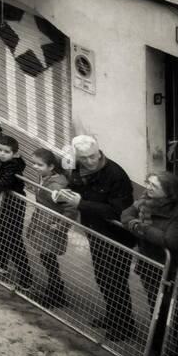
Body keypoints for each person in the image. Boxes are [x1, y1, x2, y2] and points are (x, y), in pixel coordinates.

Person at [58, 135, 138, 341]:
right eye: (84, 158)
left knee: (116, 280)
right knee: (102, 277)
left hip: (116, 236)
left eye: (93, 156)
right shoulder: (77, 168)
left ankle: (125, 326)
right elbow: (75, 187)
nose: (90, 161)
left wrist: (81, 204)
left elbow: (118, 210)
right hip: (95, 231)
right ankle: (112, 316)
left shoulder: (115, 174)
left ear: (99, 151)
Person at [122, 172, 178, 356]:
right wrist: (135, 223)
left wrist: (141, 228)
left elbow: (171, 241)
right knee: (157, 310)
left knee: (175, 312)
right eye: (148, 183)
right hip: (150, 266)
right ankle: (155, 352)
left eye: (155, 186)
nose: (148, 187)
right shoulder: (144, 201)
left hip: (171, 270)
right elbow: (126, 215)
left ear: (168, 192)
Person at [23, 147, 77, 308]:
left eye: (39, 165)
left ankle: (56, 293)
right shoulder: (44, 177)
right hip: (42, 223)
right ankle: (53, 289)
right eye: (34, 163)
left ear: (51, 167)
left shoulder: (57, 186)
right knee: (46, 257)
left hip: (51, 227)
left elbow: (71, 208)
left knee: (49, 258)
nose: (35, 167)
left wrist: (60, 225)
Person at [0, 135, 35, 291]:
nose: (2, 154)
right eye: (0, 150)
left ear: (15, 154)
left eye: (6, 152)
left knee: (13, 240)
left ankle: (26, 278)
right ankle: (0, 263)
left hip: (13, 205)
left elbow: (3, 184)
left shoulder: (14, 166)